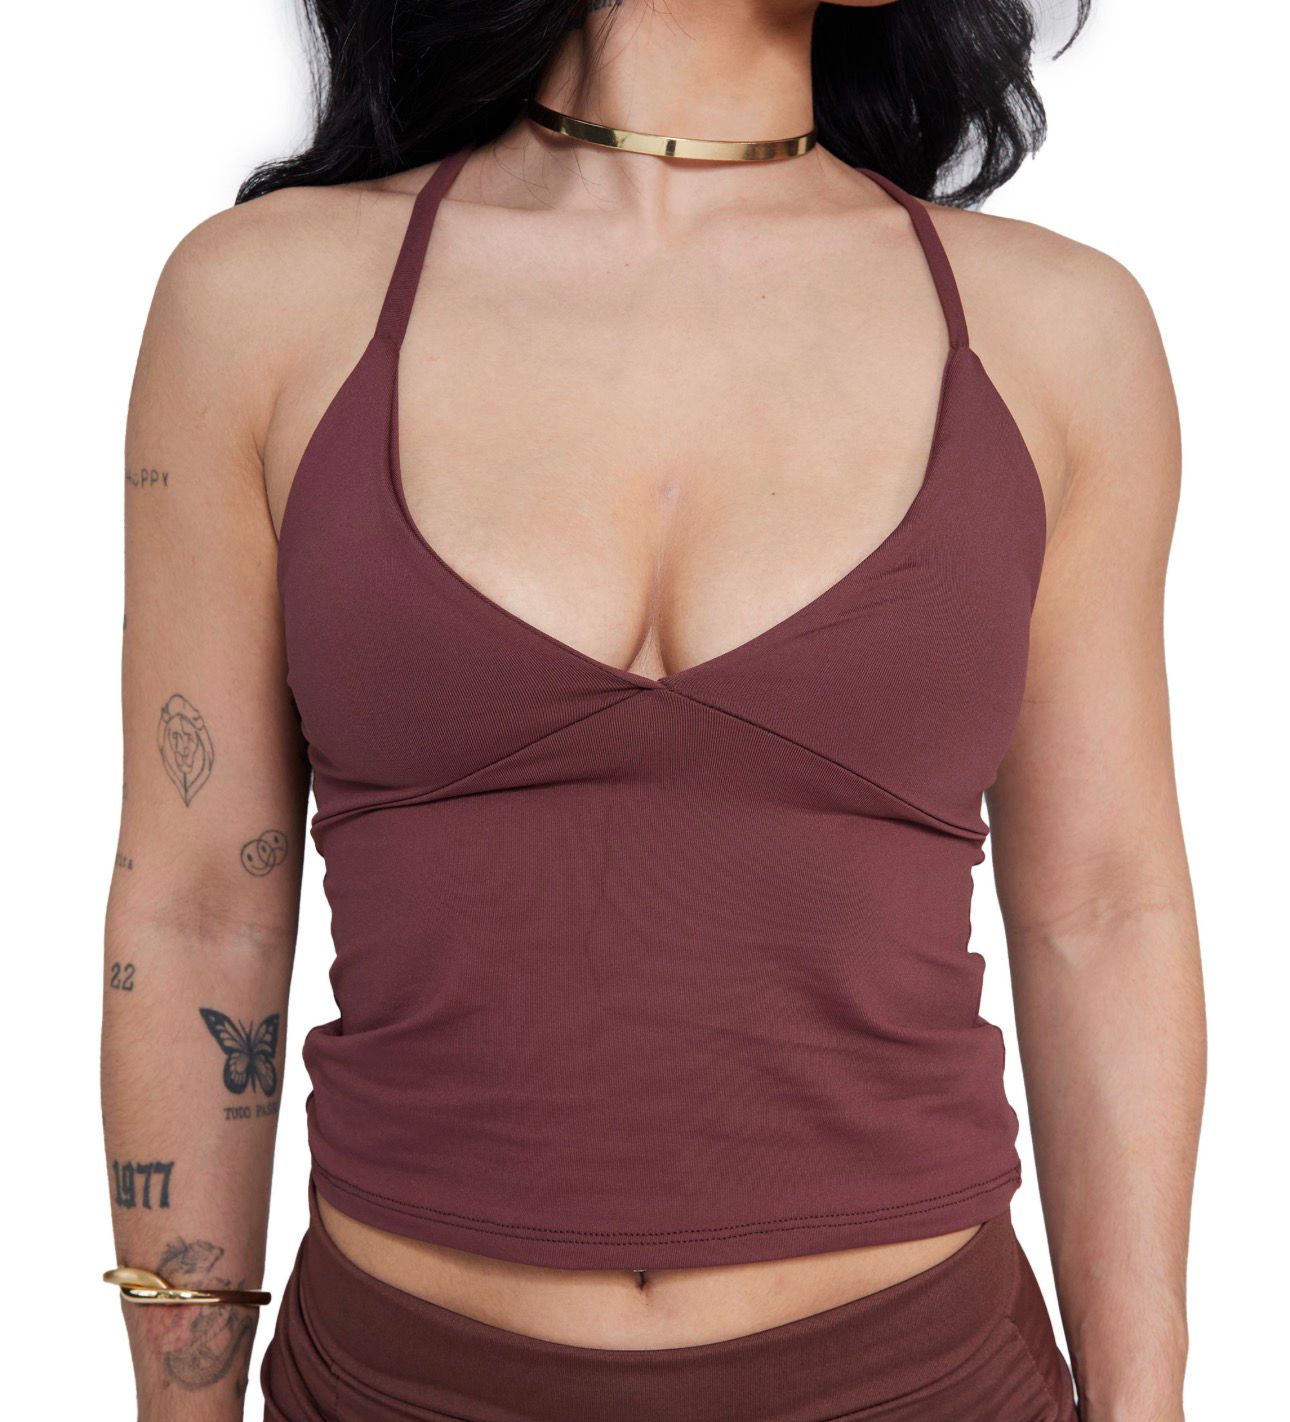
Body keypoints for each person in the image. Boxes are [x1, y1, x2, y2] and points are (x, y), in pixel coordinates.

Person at [102, 1, 1205, 1418]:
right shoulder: (262, 303)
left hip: (921, 1377)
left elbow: (1102, 908)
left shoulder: (1052, 332)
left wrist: (1146, 1401)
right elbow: (199, 905)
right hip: (399, 1382)